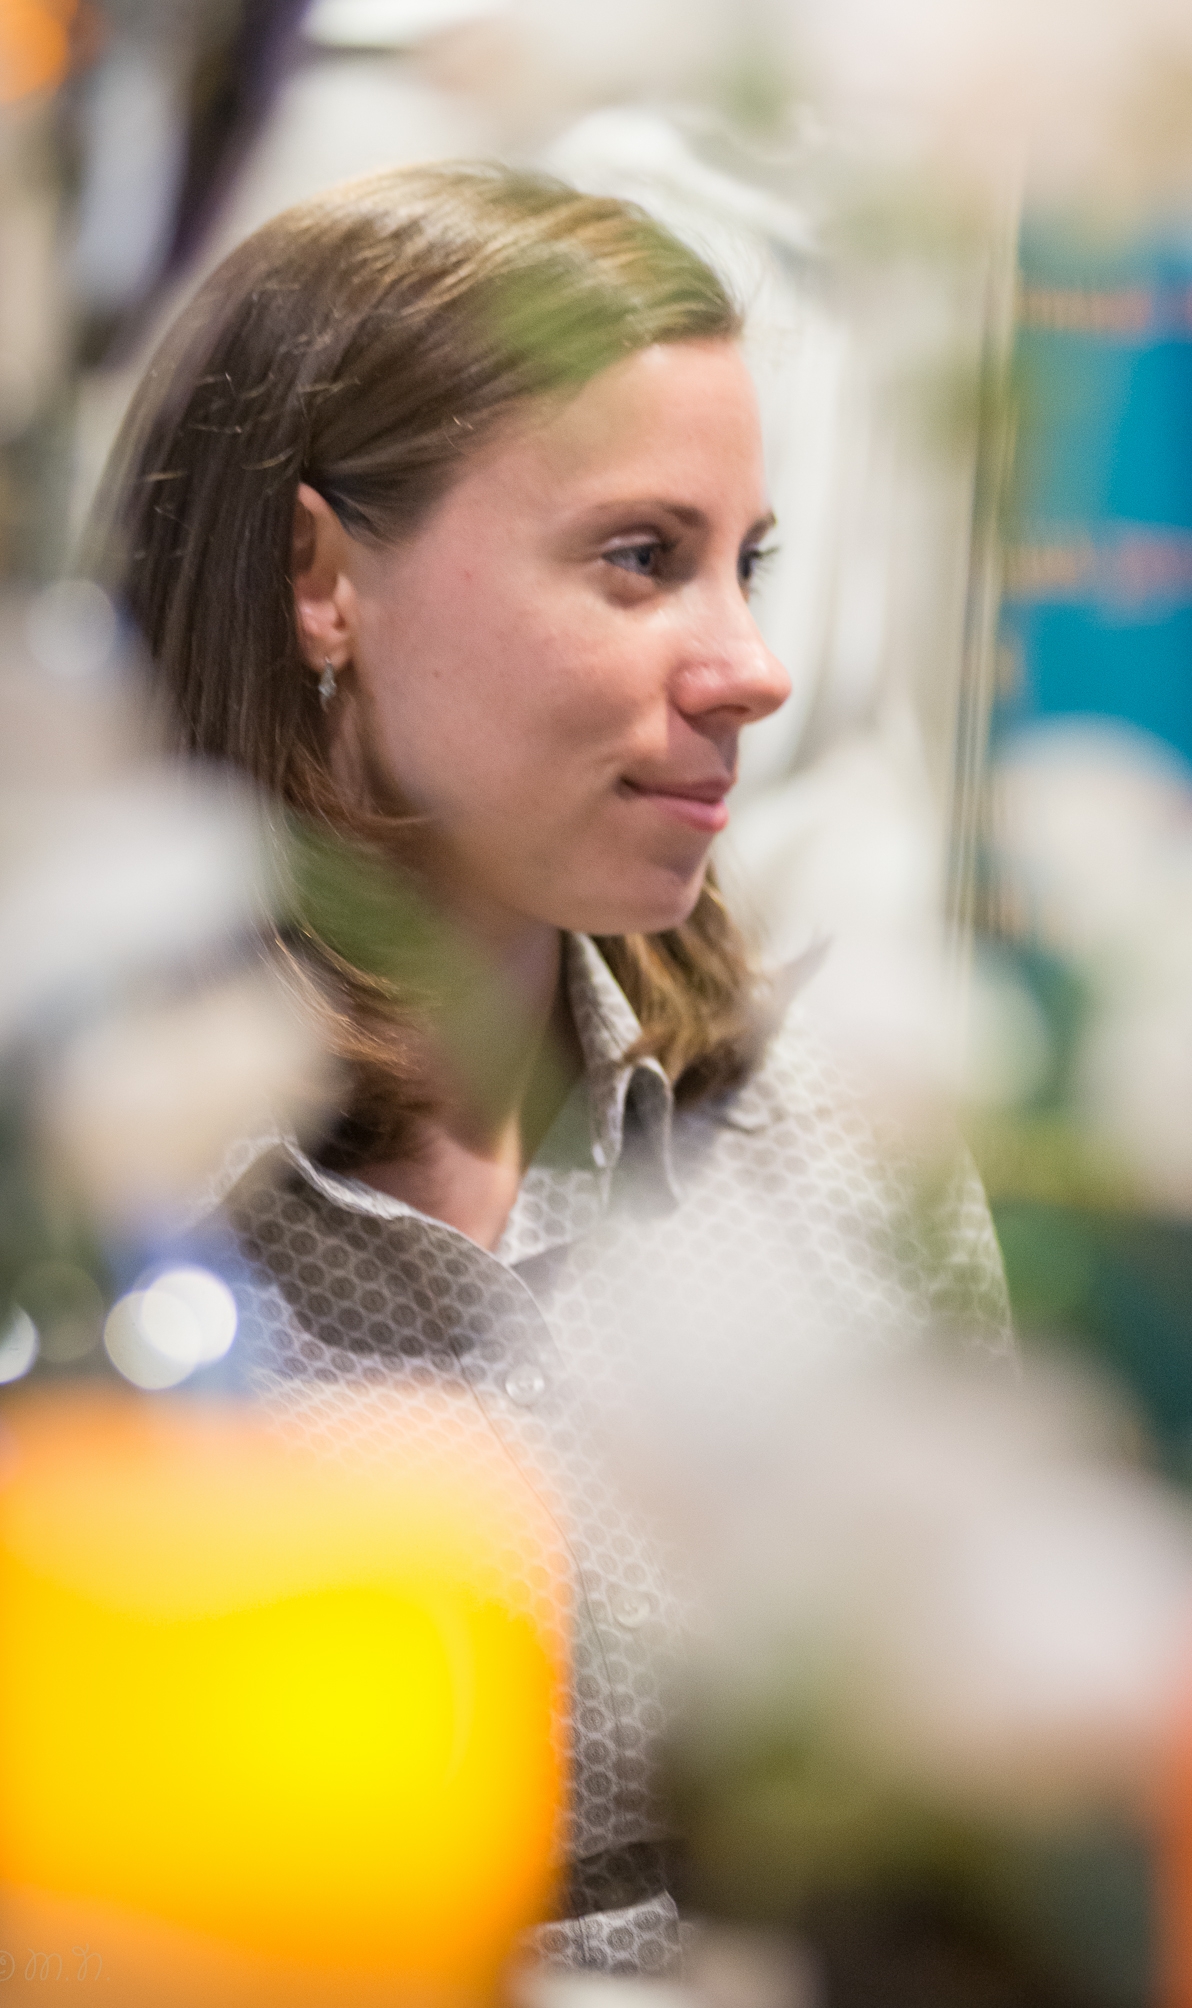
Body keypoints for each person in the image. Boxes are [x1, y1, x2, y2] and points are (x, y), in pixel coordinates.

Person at [97, 163, 1011, 1979]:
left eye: (745, 564)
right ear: (320, 580)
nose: (750, 668)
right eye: (638, 558)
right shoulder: (81, 1209)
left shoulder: (828, 1140)